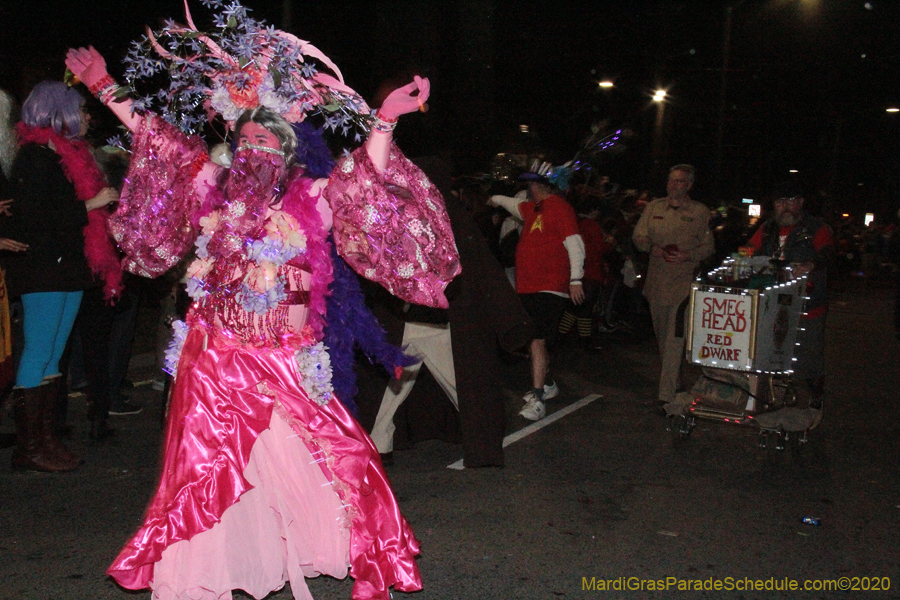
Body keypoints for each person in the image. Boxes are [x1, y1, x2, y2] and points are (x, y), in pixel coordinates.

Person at [65, 5, 458, 598]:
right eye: (243, 139)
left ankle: (345, 546)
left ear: (287, 150)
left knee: (331, 450)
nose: (251, 149)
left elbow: (363, 180)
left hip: (285, 354)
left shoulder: (315, 196)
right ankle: (204, 569)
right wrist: (103, 86)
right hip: (213, 353)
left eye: (264, 140)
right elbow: (156, 139)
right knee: (202, 463)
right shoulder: (211, 188)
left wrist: (383, 122)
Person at [1, 81, 120, 472]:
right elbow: (36, 219)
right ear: (59, 113)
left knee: (54, 353)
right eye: (79, 110)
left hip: (67, 267)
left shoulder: (66, 153)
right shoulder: (34, 157)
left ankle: (46, 439)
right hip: (43, 270)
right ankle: (29, 447)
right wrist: (91, 204)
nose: (86, 117)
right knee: (39, 351)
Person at [490, 162, 585, 421]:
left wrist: (576, 279)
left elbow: (575, 244)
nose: (528, 188)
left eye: (530, 184)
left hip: (549, 287)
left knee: (536, 340)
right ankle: (547, 383)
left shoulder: (560, 208)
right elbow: (513, 204)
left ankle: (538, 397)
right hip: (528, 286)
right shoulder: (535, 208)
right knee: (532, 340)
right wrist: (494, 198)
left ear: (537, 185)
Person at [746, 182, 833, 407]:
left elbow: (828, 254)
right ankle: (774, 398)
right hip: (772, 305)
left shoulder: (816, 228)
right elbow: (749, 251)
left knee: (808, 356)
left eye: (791, 201)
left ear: (801, 203)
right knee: (771, 354)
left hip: (807, 305)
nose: (785, 206)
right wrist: (742, 262)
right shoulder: (767, 228)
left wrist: (811, 264)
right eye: (780, 202)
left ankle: (812, 399)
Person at [632, 164, 714, 405]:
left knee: (674, 338)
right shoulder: (654, 207)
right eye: (671, 180)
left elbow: (709, 247)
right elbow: (638, 236)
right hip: (657, 283)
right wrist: (651, 247)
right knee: (662, 337)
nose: (673, 185)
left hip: (683, 283)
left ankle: (666, 395)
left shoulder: (699, 212)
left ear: (689, 185)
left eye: (679, 181)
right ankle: (675, 381)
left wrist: (689, 256)